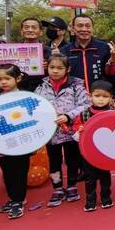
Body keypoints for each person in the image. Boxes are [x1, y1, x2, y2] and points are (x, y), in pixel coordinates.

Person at [35, 53, 90, 207]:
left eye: (60, 68)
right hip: (50, 132)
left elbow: (84, 105)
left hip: (71, 131)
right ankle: (57, 188)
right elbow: (34, 105)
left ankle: (72, 185)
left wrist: (68, 116)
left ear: (68, 69)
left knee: (72, 159)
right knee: (54, 160)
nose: (55, 71)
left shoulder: (77, 86)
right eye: (52, 67)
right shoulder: (41, 87)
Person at [0, 64, 32, 219]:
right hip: (1, 142)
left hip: (22, 141)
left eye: (7, 78)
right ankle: (12, 198)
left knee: (19, 170)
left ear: (18, 78)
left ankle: (19, 199)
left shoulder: (26, 97)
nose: (3, 82)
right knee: (7, 170)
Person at [72, 80, 115, 211]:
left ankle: (106, 198)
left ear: (111, 98)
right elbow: (75, 129)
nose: (101, 100)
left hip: (106, 152)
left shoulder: (113, 113)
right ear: (89, 96)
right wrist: (79, 130)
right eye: (97, 96)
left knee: (105, 176)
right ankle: (90, 201)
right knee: (90, 177)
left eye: (105, 96)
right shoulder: (84, 113)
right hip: (88, 152)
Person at [59, 15, 115, 94]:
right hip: (74, 98)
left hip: (99, 98)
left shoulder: (104, 48)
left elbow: (111, 76)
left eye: (88, 26)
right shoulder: (64, 51)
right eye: (80, 26)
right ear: (73, 29)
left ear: (92, 28)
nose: (84, 29)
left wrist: (114, 95)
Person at [17, 17, 52, 92]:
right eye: (26, 27)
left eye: (34, 27)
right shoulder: (13, 50)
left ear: (41, 32)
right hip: (19, 90)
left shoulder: (50, 52)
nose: (30, 30)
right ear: (21, 32)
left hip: (43, 91)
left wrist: (49, 68)